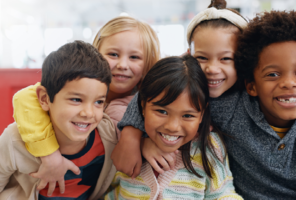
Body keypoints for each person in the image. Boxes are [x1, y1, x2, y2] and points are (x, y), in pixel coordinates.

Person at [116, 9, 296, 200]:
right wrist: (133, 135)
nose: (288, 83)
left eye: (225, 58)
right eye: (201, 58)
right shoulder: (227, 107)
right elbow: (159, 92)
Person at [11, 16, 161, 195]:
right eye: (113, 54)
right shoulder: (72, 84)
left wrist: (140, 142)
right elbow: (25, 98)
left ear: (148, 64)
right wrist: (49, 155)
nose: (122, 65)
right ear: (97, 54)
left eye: (134, 57)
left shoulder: (146, 102)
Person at [105, 55, 243, 200]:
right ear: (143, 106)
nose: (172, 127)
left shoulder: (209, 147)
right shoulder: (126, 145)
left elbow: (223, 194)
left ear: (202, 114)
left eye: (188, 116)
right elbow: (111, 191)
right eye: (162, 111)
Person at [0, 41, 117, 199]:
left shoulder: (109, 136)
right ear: (44, 98)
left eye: (98, 102)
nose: (89, 113)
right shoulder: (14, 140)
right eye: (76, 99)